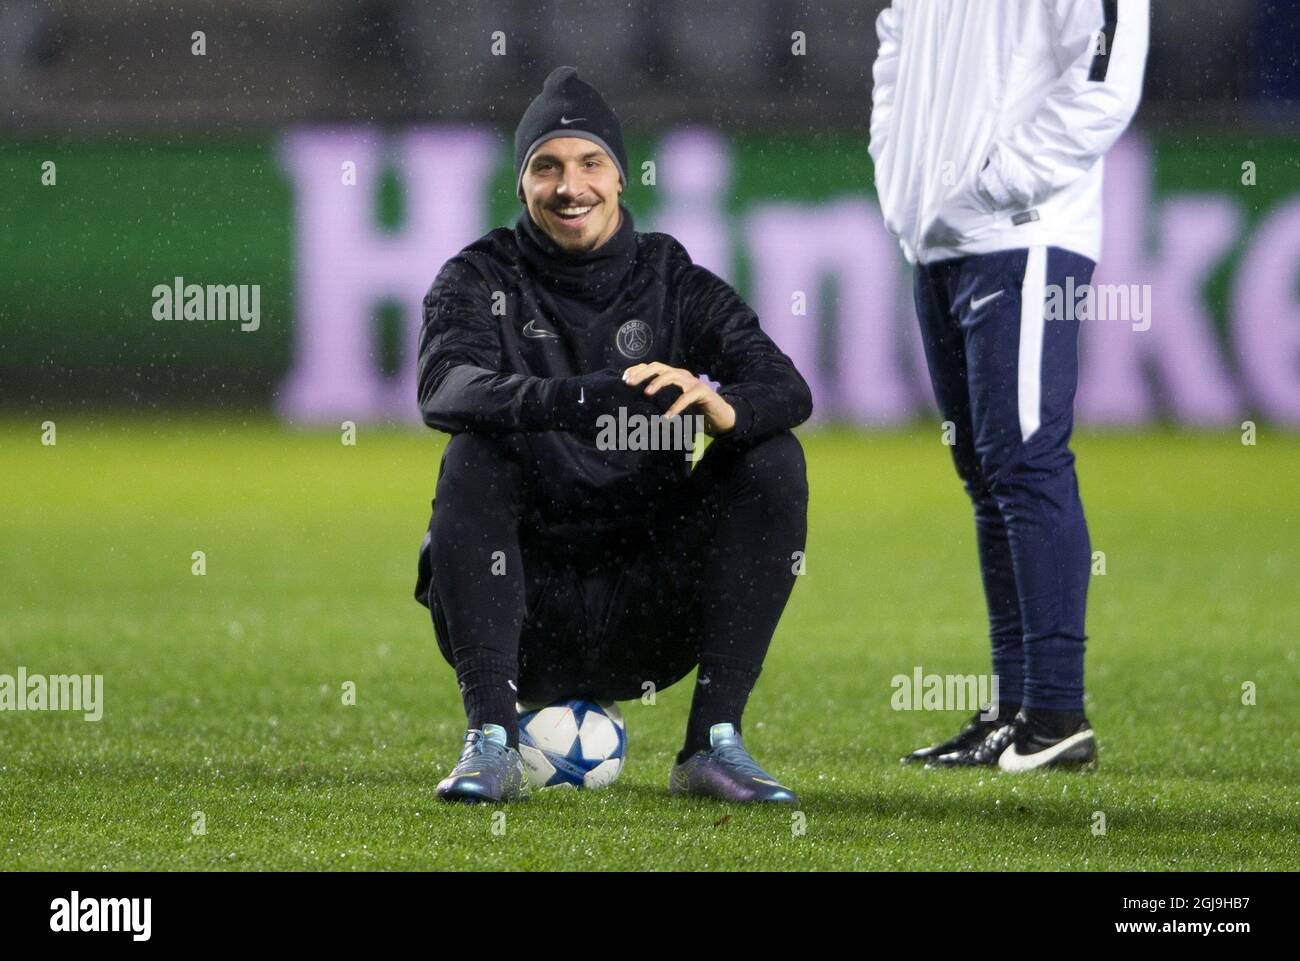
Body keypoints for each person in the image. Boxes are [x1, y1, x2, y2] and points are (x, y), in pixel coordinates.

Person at [415, 66, 812, 803]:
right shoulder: (478, 277)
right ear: (521, 184)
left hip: (650, 614)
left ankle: (712, 745)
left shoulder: (671, 279)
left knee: (770, 454)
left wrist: (725, 409)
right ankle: (492, 742)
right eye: (547, 166)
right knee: (473, 446)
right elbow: (444, 390)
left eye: (591, 162)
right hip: (522, 610)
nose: (571, 187)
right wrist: (577, 399)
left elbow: (786, 387)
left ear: (621, 178)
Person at [869, 1, 1149, 769]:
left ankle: (1057, 712)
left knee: (1025, 461)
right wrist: (905, 184)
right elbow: (896, 43)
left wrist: (993, 185)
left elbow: (1104, 77)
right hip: (939, 234)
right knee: (990, 475)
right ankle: (1018, 704)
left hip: (1022, 231)